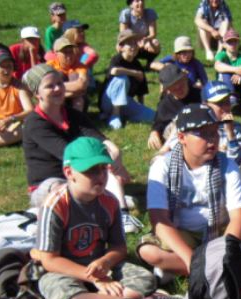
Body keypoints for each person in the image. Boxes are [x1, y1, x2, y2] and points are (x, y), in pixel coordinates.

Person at [29, 137, 156, 299]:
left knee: (146, 278)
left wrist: (105, 262)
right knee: (62, 291)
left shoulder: (110, 202)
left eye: (103, 169)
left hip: (99, 265)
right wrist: (95, 278)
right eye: (90, 171)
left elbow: (119, 248)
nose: (100, 176)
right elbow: (50, 260)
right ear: (69, 172)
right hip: (64, 270)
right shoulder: (55, 205)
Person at [138, 104, 241, 284]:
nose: (212, 140)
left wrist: (223, 252)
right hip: (182, 231)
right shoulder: (162, 166)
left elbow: (238, 217)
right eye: (203, 134)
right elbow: (159, 220)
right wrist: (190, 259)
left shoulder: (228, 166)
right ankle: (226, 267)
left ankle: (177, 269)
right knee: (148, 252)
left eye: (214, 132)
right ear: (182, 137)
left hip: (221, 230)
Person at [21, 64, 142, 233]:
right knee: (64, 191)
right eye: (50, 86)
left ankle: (122, 213)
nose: (58, 88)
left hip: (79, 173)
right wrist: (102, 160)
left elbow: (97, 137)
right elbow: (67, 153)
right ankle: (106, 199)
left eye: (59, 83)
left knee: (105, 168)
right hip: (49, 183)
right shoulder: (34, 124)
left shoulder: (72, 114)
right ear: (37, 94)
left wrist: (114, 153)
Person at [100, 29, 154, 130]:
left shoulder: (137, 64)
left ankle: (124, 116)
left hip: (126, 101)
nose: (134, 47)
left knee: (152, 116)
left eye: (135, 43)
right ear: (121, 47)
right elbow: (114, 71)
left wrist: (141, 107)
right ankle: (115, 115)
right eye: (130, 44)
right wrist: (134, 73)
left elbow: (141, 91)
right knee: (122, 79)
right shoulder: (117, 59)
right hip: (108, 101)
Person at [147, 64, 200, 150]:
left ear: (185, 79)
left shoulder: (199, 95)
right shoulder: (165, 104)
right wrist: (154, 133)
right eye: (174, 88)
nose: (179, 89)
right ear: (168, 89)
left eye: (181, 84)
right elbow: (158, 123)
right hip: (177, 138)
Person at [214, 28, 241, 117]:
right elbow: (217, 66)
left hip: (240, 85)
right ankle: (232, 102)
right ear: (224, 44)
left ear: (238, 43)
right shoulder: (222, 55)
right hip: (225, 88)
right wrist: (236, 70)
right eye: (229, 42)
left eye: (235, 41)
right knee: (225, 73)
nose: (233, 44)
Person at [0, 46, 33, 146]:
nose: (6, 70)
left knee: (24, 128)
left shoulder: (19, 87)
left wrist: (10, 119)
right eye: (3, 67)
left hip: (16, 122)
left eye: (9, 66)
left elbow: (30, 110)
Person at [47, 37, 88, 112]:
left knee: (74, 75)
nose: (69, 55)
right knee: (59, 74)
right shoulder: (50, 66)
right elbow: (45, 87)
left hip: (76, 100)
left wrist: (57, 88)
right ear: (56, 53)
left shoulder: (80, 65)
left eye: (71, 52)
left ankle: (76, 118)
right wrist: (71, 92)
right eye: (65, 52)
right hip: (58, 100)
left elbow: (82, 85)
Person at [119, 0, 160, 68]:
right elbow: (123, 36)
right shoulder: (126, 14)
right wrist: (135, 43)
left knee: (155, 43)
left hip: (145, 42)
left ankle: (150, 63)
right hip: (131, 42)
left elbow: (153, 34)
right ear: (131, 5)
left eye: (142, 0)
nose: (141, 2)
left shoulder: (150, 13)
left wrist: (145, 40)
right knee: (119, 46)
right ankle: (128, 63)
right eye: (137, 1)